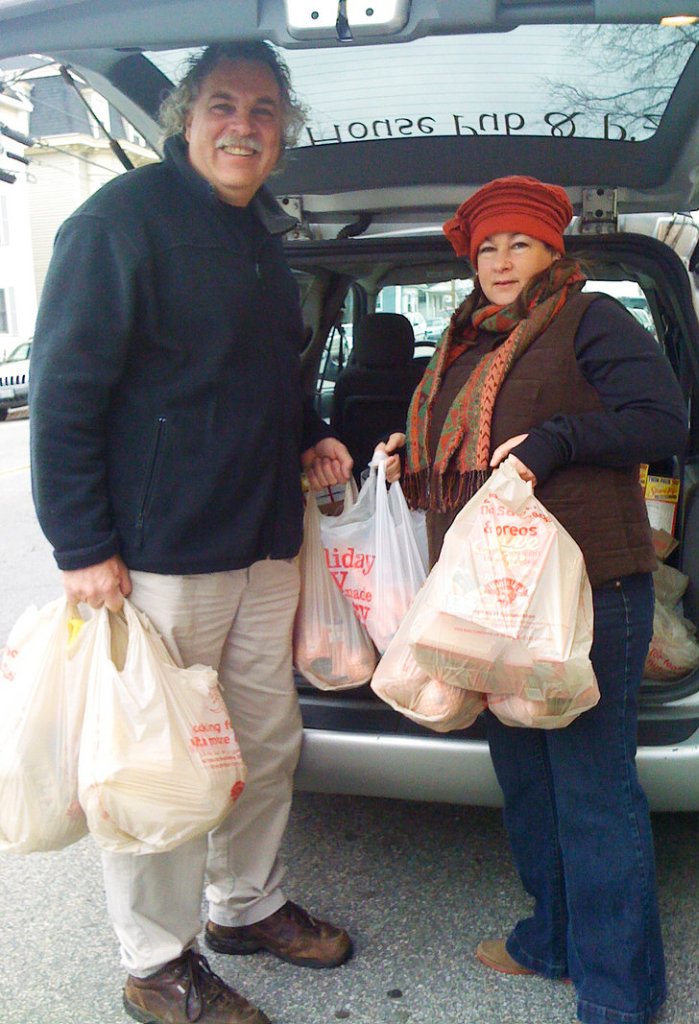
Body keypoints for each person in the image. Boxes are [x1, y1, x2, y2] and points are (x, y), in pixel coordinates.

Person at [30, 41, 354, 1024]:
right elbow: (65, 397)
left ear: (282, 130)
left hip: (262, 544)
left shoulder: (261, 232)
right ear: (186, 116)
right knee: (161, 765)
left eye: (263, 110)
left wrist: (309, 437)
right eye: (223, 105)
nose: (243, 126)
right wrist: (82, 544)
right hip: (161, 553)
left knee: (264, 742)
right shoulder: (117, 226)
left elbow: (259, 377)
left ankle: (245, 906)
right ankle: (154, 963)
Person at [379, 175, 688, 1024]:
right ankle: (551, 939)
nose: (501, 261)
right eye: (487, 247)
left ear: (555, 250)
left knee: (592, 789)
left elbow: (664, 419)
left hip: (586, 589)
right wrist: (414, 459)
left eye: (519, 242)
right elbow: (468, 455)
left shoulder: (591, 319)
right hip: (488, 599)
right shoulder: (464, 344)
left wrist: (557, 440)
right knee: (526, 781)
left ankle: (620, 992)